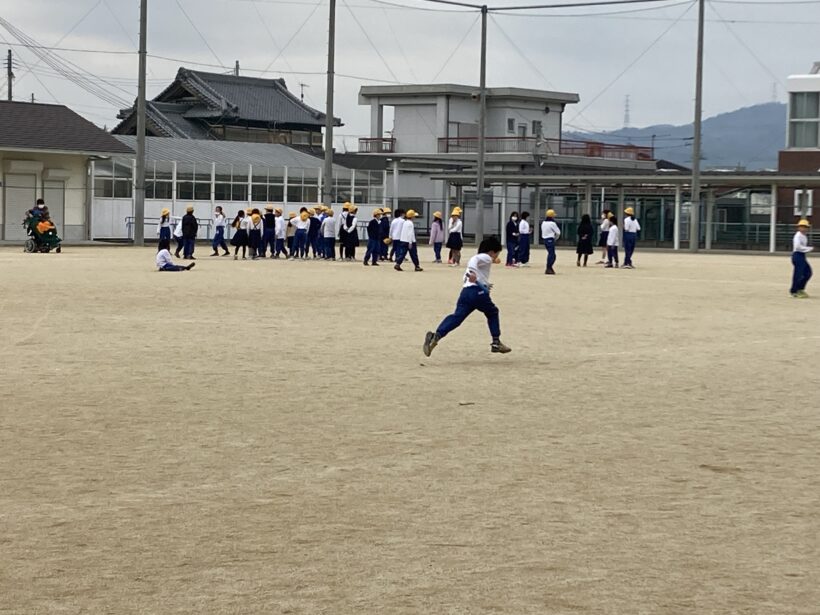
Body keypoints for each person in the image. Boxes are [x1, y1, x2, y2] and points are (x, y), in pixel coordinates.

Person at [423, 236, 511, 356]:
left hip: (466, 292)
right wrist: (474, 272)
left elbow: (473, 275)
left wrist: (484, 283)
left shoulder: (482, 260)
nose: (496, 257)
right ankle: (496, 342)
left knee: (457, 317)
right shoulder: (486, 257)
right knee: (493, 312)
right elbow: (474, 260)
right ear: (492, 251)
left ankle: (436, 335)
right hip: (477, 293)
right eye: (497, 253)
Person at [790, 218, 814, 298]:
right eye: (802, 226)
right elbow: (797, 247)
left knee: (808, 273)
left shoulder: (804, 236)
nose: (803, 228)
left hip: (802, 255)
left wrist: (806, 249)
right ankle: (794, 291)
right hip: (797, 255)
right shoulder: (798, 236)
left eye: (805, 227)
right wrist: (808, 249)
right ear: (798, 227)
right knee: (798, 274)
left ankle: (800, 288)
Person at [540, 209, 561, 275]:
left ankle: (549, 267)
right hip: (550, 239)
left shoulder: (543, 223)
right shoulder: (552, 223)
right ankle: (548, 267)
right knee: (552, 254)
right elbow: (558, 232)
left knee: (551, 253)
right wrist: (555, 238)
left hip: (545, 239)